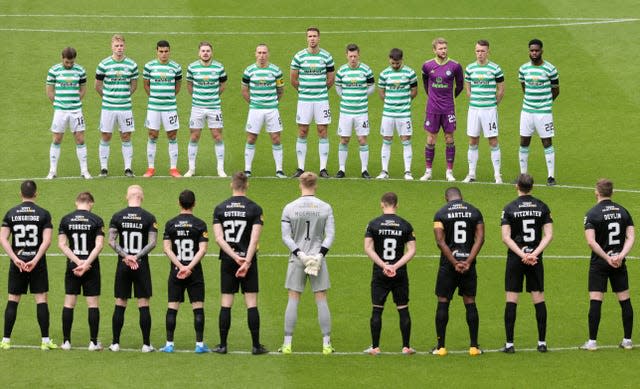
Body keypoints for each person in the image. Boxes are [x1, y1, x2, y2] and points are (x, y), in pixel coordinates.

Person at [212, 172, 268, 355]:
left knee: (226, 301)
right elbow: (254, 240)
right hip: (248, 261)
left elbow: (219, 239)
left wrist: (235, 257)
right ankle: (256, 345)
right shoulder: (255, 209)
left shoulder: (220, 209)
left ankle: (222, 345)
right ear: (247, 185)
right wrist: (246, 261)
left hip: (228, 261)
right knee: (251, 302)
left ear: (231, 185)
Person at [279, 172, 335, 354]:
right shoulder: (325, 207)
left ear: (300, 184)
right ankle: (326, 344)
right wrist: (319, 255)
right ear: (316, 185)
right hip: (318, 258)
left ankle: (287, 344)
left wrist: (301, 255)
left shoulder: (290, 208)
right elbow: (330, 235)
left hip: (297, 259)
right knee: (321, 298)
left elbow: (286, 237)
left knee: (293, 298)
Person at [0, 180, 57, 350]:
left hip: (17, 262)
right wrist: (35, 259)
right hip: (36, 263)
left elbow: (3, 238)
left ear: (20, 194)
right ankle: (45, 342)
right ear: (36, 194)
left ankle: (5, 340)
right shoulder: (43, 214)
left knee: (13, 300)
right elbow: (47, 241)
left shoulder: (11, 213)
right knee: (41, 299)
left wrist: (15, 258)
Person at [500, 174, 553, 353]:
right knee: (538, 298)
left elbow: (506, 237)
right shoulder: (542, 207)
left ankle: (509, 344)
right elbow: (549, 235)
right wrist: (534, 253)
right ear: (532, 186)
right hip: (535, 259)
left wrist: (522, 254)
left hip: (516, 258)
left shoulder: (509, 208)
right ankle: (542, 343)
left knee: (512, 298)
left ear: (517, 186)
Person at [580, 179, 635, 351]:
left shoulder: (592, 214)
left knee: (596, 300)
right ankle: (627, 341)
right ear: (612, 192)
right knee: (624, 300)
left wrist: (606, 257)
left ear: (596, 192)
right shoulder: (623, 211)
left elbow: (591, 242)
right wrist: (620, 256)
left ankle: (592, 342)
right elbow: (631, 237)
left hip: (599, 263)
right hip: (619, 262)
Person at [432, 187, 484, 356]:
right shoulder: (475, 212)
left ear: (446, 198)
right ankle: (474, 347)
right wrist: (468, 261)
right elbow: (480, 238)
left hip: (448, 265)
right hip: (468, 265)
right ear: (462, 197)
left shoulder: (440, 213)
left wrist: (454, 261)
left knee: (443, 301)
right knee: (470, 302)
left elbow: (440, 241)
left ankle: (441, 347)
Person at [363, 192, 416, 355]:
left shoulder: (373, 224)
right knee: (403, 308)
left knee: (377, 310)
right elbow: (412, 250)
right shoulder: (406, 225)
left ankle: (375, 347)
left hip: (380, 273)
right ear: (397, 205)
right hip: (399, 273)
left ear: (382, 204)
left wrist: (384, 265)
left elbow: (368, 248)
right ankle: (406, 347)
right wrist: (395, 266)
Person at [108, 185, 157, 352]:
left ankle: (115, 343)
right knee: (143, 302)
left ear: (126, 197)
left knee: (120, 302)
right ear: (141, 197)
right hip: (141, 264)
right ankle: (146, 344)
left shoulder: (117, 216)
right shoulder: (149, 217)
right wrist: (136, 257)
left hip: (123, 264)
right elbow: (152, 243)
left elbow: (111, 241)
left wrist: (126, 256)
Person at [159, 190, 210, 353]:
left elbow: (167, 249)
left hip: (176, 271)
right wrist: (189, 267)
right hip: (194, 272)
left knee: (172, 307)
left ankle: (169, 344)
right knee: (198, 307)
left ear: (179, 203)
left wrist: (180, 267)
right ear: (194, 203)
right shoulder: (200, 224)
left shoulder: (170, 224)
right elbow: (202, 250)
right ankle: (200, 345)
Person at [58, 192, 105, 351]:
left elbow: (62, 245)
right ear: (91, 203)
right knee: (92, 304)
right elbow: (99, 245)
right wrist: (86, 263)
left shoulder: (66, 219)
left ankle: (66, 342)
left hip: (73, 265)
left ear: (76, 202)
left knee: (69, 303)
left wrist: (77, 262)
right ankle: (93, 342)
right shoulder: (96, 220)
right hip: (91, 265)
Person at [290, 27, 335, 178]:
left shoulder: (327, 56)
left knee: (322, 131)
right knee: (302, 131)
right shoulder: (299, 57)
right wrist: (305, 92)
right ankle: (300, 168)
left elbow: (330, 79)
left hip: (321, 100)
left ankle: (323, 168)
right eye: (309, 36)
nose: (312, 39)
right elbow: (293, 80)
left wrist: (319, 91)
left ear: (319, 38)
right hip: (304, 101)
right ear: (306, 38)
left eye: (315, 36)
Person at [420, 37, 464, 182]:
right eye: (440, 48)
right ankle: (428, 171)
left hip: (448, 109)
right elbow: (425, 82)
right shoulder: (427, 66)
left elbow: (460, 86)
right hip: (432, 109)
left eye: (445, 48)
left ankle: (449, 172)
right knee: (431, 138)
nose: (443, 51)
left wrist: (450, 99)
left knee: (449, 138)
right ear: (434, 50)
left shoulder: (455, 66)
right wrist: (432, 97)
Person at [518, 39, 560, 186]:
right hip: (527, 112)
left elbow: (556, 90)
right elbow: (524, 87)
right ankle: (522, 175)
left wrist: (545, 103)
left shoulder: (551, 69)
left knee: (547, 142)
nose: (534, 53)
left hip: (544, 113)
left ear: (542, 51)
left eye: (536, 50)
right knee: (524, 141)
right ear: (529, 51)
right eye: (532, 50)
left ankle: (551, 176)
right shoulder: (523, 69)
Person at [462, 40, 505, 184]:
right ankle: (472, 174)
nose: (480, 54)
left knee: (493, 141)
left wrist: (493, 104)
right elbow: (467, 86)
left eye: (482, 51)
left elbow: (501, 89)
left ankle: (497, 175)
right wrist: (471, 96)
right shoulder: (469, 68)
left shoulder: (495, 68)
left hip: (489, 111)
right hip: (474, 110)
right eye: (477, 51)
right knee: (473, 140)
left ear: (488, 52)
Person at [96, 34, 138, 177]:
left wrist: (124, 96)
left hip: (125, 108)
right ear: (112, 47)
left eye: (121, 46)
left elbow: (134, 85)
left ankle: (128, 168)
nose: (119, 48)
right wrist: (108, 97)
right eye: (116, 46)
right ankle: (103, 168)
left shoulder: (132, 65)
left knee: (126, 136)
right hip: (108, 107)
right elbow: (98, 86)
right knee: (106, 136)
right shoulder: (103, 64)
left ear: (124, 46)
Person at [241, 44, 286, 178]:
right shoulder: (249, 71)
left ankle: (279, 170)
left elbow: (280, 90)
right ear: (255, 54)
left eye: (264, 53)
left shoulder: (276, 71)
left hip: (272, 110)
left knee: (276, 138)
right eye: (259, 53)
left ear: (268, 54)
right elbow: (244, 90)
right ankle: (247, 170)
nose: (262, 56)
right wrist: (254, 103)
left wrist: (272, 103)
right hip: (255, 110)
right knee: (251, 138)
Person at [46, 47, 91, 180]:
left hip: (76, 111)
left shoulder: (81, 70)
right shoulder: (54, 70)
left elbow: (83, 89)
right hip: (60, 111)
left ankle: (84, 171)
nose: (69, 65)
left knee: (80, 139)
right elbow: (49, 91)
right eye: (67, 62)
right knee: (57, 139)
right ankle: (52, 171)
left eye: (71, 62)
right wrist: (59, 104)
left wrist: (75, 101)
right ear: (62, 58)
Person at [184, 41, 228, 178]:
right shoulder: (192, 67)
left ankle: (220, 169)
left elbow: (223, 84)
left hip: (214, 108)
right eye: (203, 51)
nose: (205, 53)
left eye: (208, 51)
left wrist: (214, 96)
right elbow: (189, 85)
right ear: (199, 53)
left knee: (217, 136)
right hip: (197, 108)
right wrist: (198, 98)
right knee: (194, 136)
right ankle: (191, 169)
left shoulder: (219, 67)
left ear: (211, 52)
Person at [376, 48, 418, 180]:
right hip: (388, 114)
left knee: (406, 140)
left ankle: (407, 172)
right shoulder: (384, 74)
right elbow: (381, 92)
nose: (395, 66)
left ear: (402, 60)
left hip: (404, 114)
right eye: (393, 63)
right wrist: (390, 102)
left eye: (397, 63)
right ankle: (384, 171)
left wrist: (403, 101)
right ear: (389, 60)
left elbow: (414, 91)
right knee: (386, 140)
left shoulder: (410, 73)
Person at [334, 44, 375, 179]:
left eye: (355, 56)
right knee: (344, 139)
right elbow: (338, 88)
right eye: (350, 56)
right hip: (346, 112)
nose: (353, 59)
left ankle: (364, 170)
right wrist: (347, 98)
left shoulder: (366, 70)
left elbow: (372, 86)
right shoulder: (341, 71)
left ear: (359, 55)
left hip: (361, 112)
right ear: (346, 55)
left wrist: (361, 97)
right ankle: (341, 169)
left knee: (362, 139)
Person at [142, 40, 182, 178]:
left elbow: (177, 85)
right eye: (161, 51)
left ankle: (173, 168)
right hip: (154, 107)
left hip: (170, 108)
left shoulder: (176, 67)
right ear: (157, 51)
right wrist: (154, 97)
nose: (164, 54)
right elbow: (146, 85)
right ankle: (151, 168)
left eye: (166, 51)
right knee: (152, 135)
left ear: (169, 51)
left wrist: (168, 97)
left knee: (172, 135)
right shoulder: (149, 66)